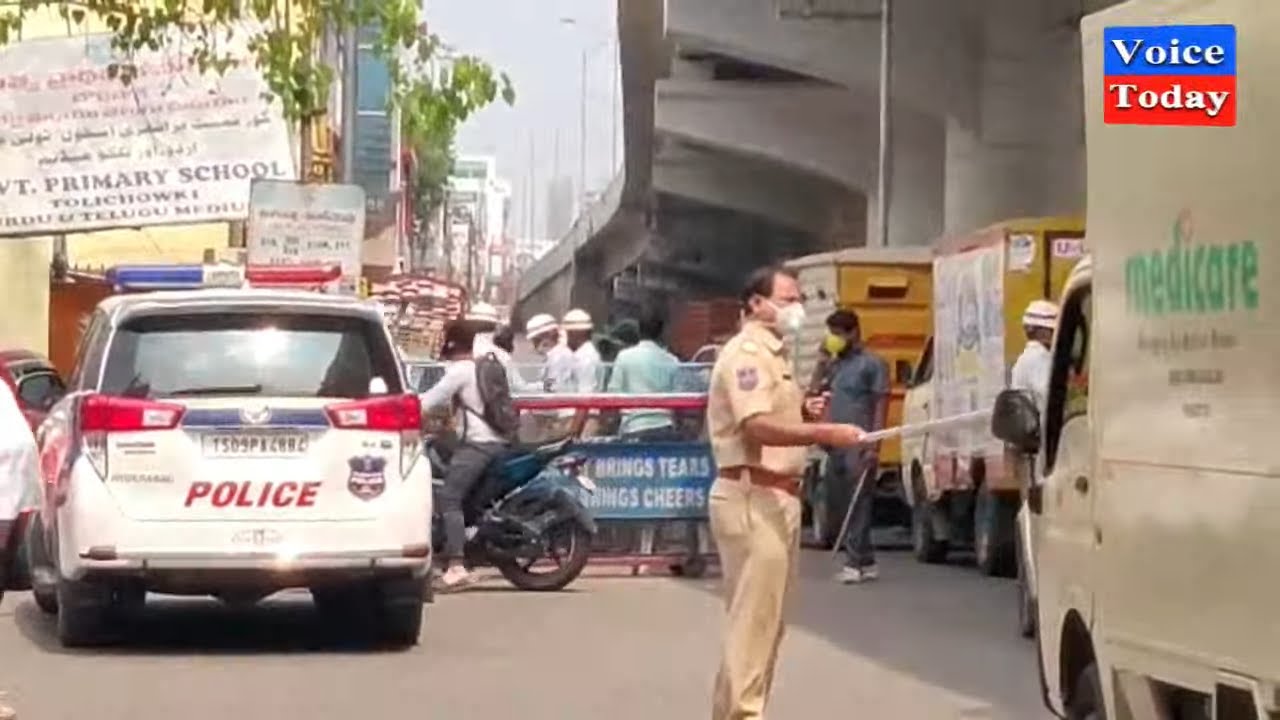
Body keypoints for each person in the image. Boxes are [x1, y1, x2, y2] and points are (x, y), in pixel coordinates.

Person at [706, 265, 866, 720]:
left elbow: (773, 415)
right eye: (788, 298)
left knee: (765, 626)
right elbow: (755, 425)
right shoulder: (749, 354)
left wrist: (802, 411)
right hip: (754, 495)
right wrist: (823, 431)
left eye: (799, 299)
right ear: (756, 303)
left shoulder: (776, 356)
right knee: (753, 626)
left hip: (775, 496)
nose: (797, 308)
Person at [418, 321, 510, 590]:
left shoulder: (460, 371)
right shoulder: (479, 366)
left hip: (478, 445)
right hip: (494, 440)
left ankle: (457, 566)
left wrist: (401, 406)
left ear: (451, 343)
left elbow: (428, 401)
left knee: (449, 498)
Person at [822, 309, 890, 585]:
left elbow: (881, 405)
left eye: (838, 334)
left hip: (859, 443)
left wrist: (874, 444)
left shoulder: (873, 365)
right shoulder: (835, 365)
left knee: (858, 502)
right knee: (838, 501)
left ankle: (853, 563)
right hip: (834, 442)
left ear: (853, 333)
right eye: (831, 334)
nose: (834, 339)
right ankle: (867, 559)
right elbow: (818, 393)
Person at [607, 305, 679, 440]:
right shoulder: (672, 360)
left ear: (639, 330)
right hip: (665, 427)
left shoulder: (624, 357)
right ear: (661, 332)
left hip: (633, 426)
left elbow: (613, 393)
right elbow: (679, 397)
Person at [1011, 299, 1058, 411]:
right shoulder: (1038, 357)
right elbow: (1049, 397)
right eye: (1052, 330)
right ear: (1043, 331)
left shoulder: (1026, 358)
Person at [562, 308, 602, 393]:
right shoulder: (582, 355)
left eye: (568, 332)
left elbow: (585, 393)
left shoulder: (586, 358)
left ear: (576, 333)